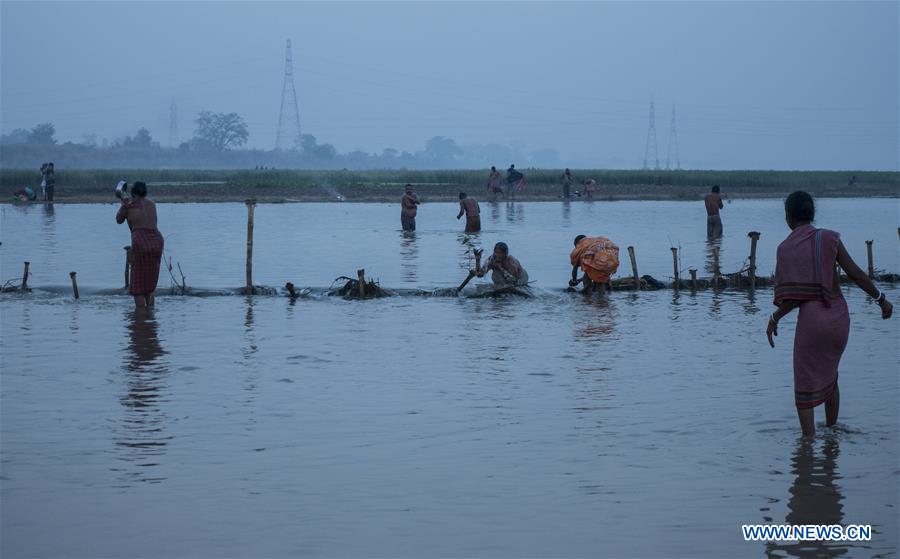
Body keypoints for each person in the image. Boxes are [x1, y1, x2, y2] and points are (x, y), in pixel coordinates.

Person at [767, 191, 892, 437]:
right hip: (838, 320)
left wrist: (775, 317)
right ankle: (832, 435)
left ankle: (808, 443)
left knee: (804, 383)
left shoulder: (785, 248)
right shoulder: (828, 238)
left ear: (788, 218)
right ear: (812, 214)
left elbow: (795, 297)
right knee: (829, 375)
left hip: (812, 322)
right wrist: (882, 300)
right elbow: (856, 274)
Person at [116, 181, 165, 309]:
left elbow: (119, 220)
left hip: (141, 243)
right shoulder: (152, 204)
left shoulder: (130, 205)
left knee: (138, 288)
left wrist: (123, 205)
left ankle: (140, 319)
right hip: (157, 242)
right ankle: (150, 317)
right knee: (149, 286)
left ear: (133, 193)